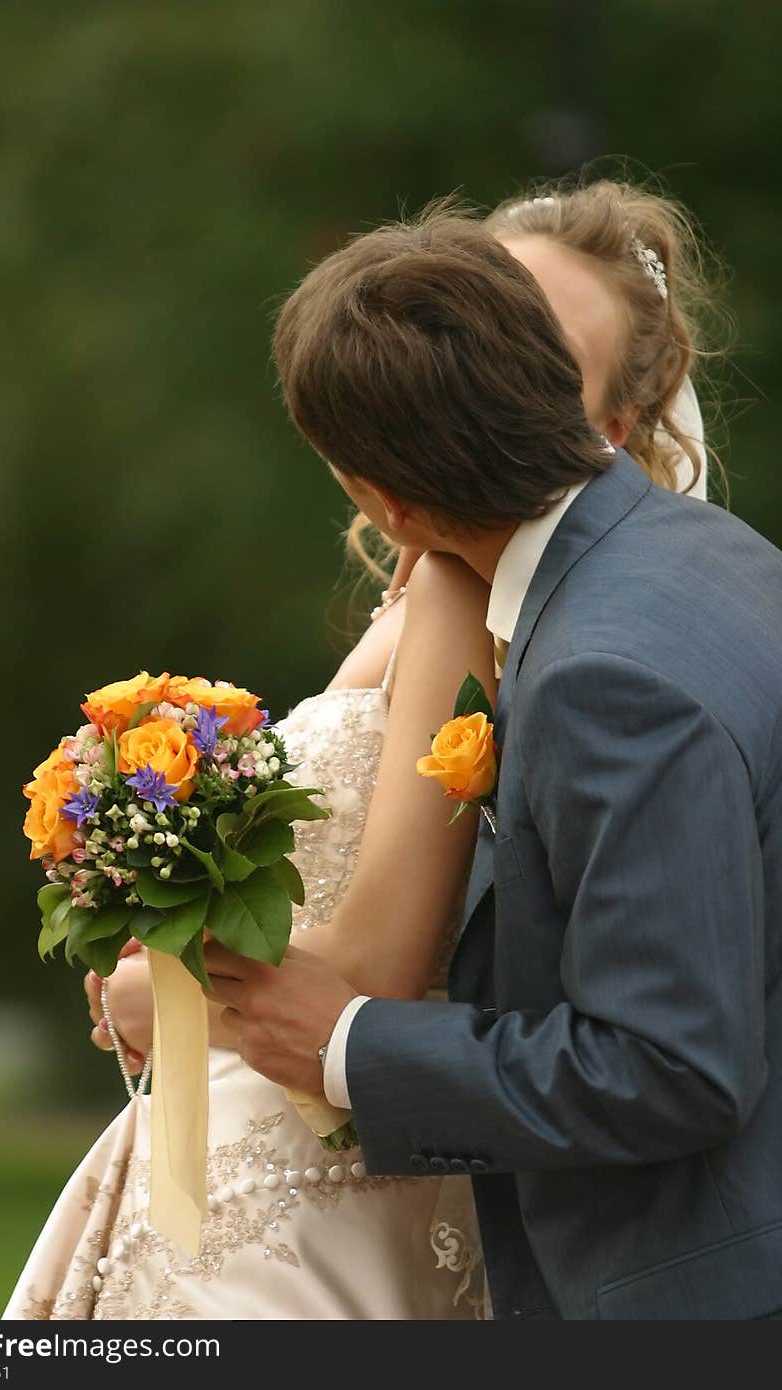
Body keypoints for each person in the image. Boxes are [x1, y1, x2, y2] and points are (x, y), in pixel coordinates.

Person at [4, 181, 723, 1321]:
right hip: (282, 1126)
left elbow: (391, 958)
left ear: (609, 424)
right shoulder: (469, 576)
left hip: (330, 1159)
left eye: (539, 355)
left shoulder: (510, 610)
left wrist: (179, 994)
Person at [203, 203, 782, 1322]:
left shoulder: (604, 678)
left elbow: (671, 1069)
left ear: (389, 502)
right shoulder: (711, 559)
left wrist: (347, 1044)